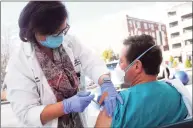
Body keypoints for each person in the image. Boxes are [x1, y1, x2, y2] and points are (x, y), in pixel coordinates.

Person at [5, 1, 123, 127]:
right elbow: (26, 113)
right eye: (57, 33)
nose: (62, 36)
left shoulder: (69, 42)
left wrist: (105, 83)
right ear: (38, 33)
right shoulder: (19, 63)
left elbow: (92, 63)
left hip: (77, 122)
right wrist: (66, 106)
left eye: (64, 30)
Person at [95, 34, 189, 128]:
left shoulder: (114, 105)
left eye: (121, 61)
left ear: (137, 66)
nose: (118, 66)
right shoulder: (178, 94)